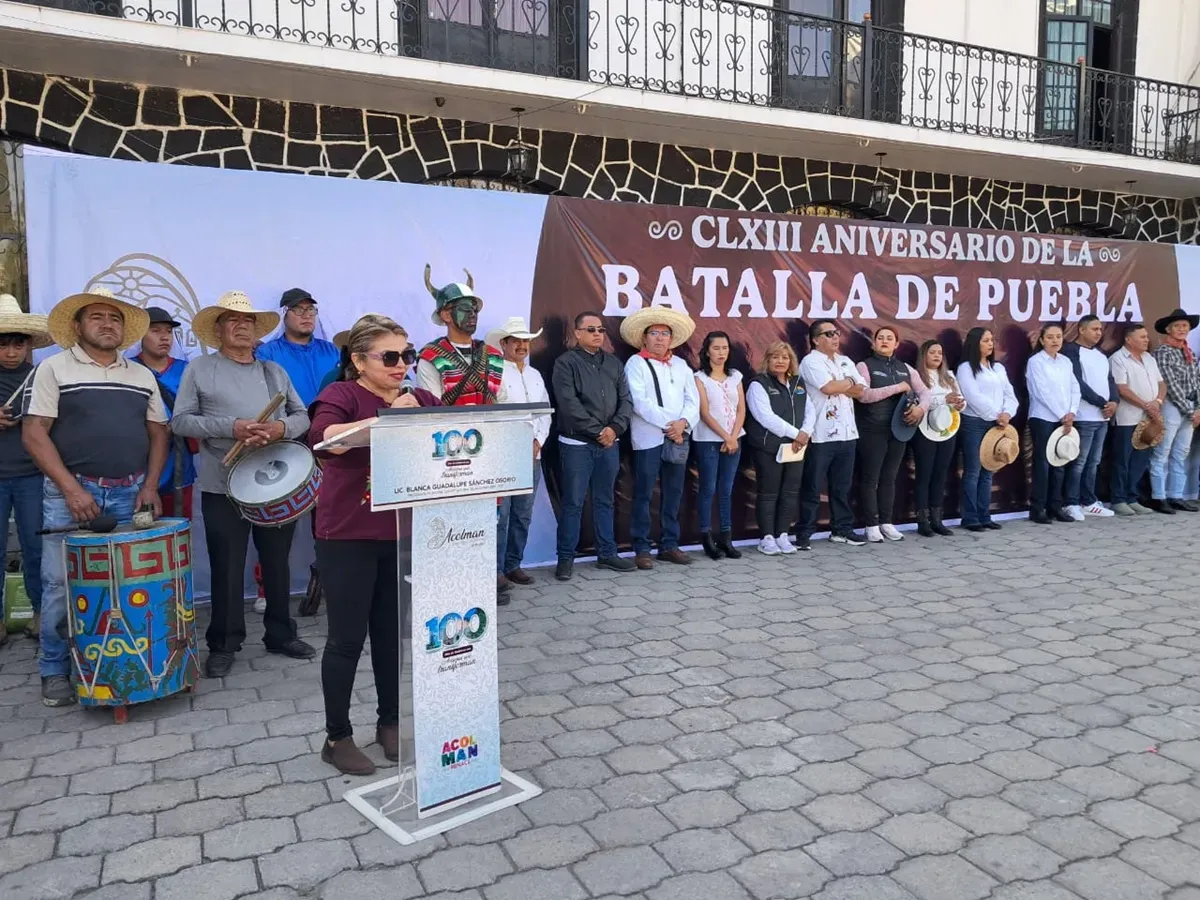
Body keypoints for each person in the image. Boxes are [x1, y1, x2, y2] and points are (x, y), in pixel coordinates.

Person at [309, 315, 441, 775]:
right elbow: (327, 440)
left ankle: (390, 722)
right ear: (359, 361)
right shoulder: (341, 395)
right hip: (348, 534)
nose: (401, 364)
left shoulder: (421, 397)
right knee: (346, 639)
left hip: (401, 532)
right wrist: (388, 419)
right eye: (390, 356)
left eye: (408, 355)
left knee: (391, 636)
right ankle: (336, 737)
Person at [23, 291, 167, 706]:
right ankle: (53, 668)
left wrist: (150, 486)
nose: (107, 324)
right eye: (97, 317)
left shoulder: (140, 375)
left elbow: (159, 432)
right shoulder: (54, 368)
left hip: (130, 491)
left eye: (115, 319)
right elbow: (33, 433)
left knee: (123, 584)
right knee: (60, 583)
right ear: (78, 326)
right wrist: (71, 489)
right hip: (69, 493)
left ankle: (119, 665)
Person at [172, 291, 315, 678]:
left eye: (248, 321)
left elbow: (302, 416)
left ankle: (281, 634)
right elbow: (181, 421)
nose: (241, 327)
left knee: (277, 563)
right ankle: (224, 642)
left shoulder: (274, 372)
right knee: (227, 565)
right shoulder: (200, 369)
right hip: (222, 484)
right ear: (218, 330)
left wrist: (280, 428)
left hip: (273, 482)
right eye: (232, 320)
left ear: (257, 331)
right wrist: (231, 428)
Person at [551, 312, 636, 582]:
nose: (597, 334)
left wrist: (614, 429)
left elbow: (626, 401)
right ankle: (565, 559)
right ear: (577, 333)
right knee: (573, 502)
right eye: (591, 330)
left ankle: (607, 554)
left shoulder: (613, 363)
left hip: (609, 442)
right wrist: (598, 431)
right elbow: (568, 404)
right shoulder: (565, 363)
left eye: (600, 330)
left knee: (605, 500)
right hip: (577, 444)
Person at [621, 307, 700, 569]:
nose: (659, 338)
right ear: (644, 338)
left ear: (671, 339)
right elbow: (639, 402)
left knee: (674, 492)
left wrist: (683, 423)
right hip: (649, 438)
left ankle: (669, 545)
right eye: (654, 333)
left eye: (664, 334)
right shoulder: (635, 363)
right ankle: (642, 547)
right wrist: (671, 425)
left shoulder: (681, 365)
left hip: (678, 437)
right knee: (644, 492)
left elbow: (693, 399)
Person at [0, 295, 50, 648]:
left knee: (36, 548)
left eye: (18, 344)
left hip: (32, 475)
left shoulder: (40, 377)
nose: (11, 352)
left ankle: (40, 613)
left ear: (29, 345)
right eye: (3, 344)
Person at [487, 317, 551, 592]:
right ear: (504, 343)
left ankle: (514, 564)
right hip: (503, 454)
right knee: (501, 515)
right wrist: (513, 442)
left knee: (523, 513)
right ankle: (496, 570)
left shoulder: (535, 375)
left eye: (525, 341)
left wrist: (538, 440)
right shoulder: (494, 373)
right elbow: (491, 414)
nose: (522, 345)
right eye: (516, 341)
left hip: (532, 454)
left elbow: (545, 411)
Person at [854, 326, 929, 543]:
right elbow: (863, 395)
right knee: (870, 478)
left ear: (896, 344)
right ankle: (871, 525)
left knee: (889, 477)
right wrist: (897, 388)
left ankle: (886, 522)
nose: (884, 341)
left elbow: (925, 392)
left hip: (899, 430)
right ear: (873, 343)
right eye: (880, 338)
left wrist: (920, 409)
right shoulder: (864, 366)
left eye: (889, 338)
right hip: (872, 430)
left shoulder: (906, 368)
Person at [797, 320, 867, 548]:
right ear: (815, 339)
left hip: (848, 434)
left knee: (842, 487)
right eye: (828, 334)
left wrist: (843, 385)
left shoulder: (845, 360)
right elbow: (827, 388)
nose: (835, 337)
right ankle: (804, 533)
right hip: (821, 435)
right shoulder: (810, 361)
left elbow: (861, 391)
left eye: (836, 332)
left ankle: (841, 530)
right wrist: (849, 381)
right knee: (813, 486)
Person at [131, 306, 198, 518]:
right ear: (141, 335)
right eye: (155, 331)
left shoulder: (188, 369)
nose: (164, 337)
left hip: (179, 460)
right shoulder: (128, 369)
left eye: (168, 331)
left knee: (179, 526)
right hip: (138, 462)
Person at [745, 341, 808, 556]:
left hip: (795, 447)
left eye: (785, 357)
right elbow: (765, 417)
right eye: (775, 357)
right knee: (769, 493)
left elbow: (810, 410)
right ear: (767, 360)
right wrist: (797, 434)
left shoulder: (798, 382)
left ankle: (782, 535)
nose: (781, 361)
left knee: (790, 492)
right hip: (769, 447)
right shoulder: (758, 384)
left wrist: (804, 433)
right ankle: (767, 538)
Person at [955, 326, 1019, 532]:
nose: (990, 344)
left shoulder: (998, 368)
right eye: (985, 340)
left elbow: (1010, 394)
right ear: (975, 343)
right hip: (974, 423)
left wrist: (1007, 413)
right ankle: (970, 517)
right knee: (973, 470)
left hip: (997, 424)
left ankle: (984, 515)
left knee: (988, 470)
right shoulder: (966, 368)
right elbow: (972, 396)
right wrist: (996, 414)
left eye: (991, 340)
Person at [416, 266, 503, 406]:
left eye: (474, 309)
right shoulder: (430, 358)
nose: (472, 314)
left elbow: (503, 403)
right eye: (464, 308)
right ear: (446, 315)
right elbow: (433, 410)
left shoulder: (494, 357)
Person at [693, 331, 746, 560]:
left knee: (726, 489)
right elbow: (704, 413)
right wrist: (725, 436)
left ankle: (726, 537)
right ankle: (706, 537)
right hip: (708, 441)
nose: (721, 353)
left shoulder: (735, 376)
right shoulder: (699, 378)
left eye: (725, 348)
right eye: (716, 348)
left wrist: (733, 437)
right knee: (708, 489)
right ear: (707, 351)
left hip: (734, 439)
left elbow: (741, 409)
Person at [1060, 315, 1118, 520]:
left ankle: (1089, 501)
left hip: (1102, 418)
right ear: (1081, 330)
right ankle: (1071, 502)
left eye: (1100, 329)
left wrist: (1114, 401)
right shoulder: (1071, 351)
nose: (1098, 333)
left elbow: (1110, 380)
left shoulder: (1101, 354)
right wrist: (1101, 402)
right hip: (1083, 415)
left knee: (1093, 462)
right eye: (1094, 329)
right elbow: (1077, 382)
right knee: (1078, 462)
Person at [1026, 322, 1081, 524]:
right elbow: (1042, 392)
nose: (1055, 340)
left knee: (1060, 462)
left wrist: (1071, 411)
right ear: (1042, 340)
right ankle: (1038, 508)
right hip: (1043, 418)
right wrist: (1061, 414)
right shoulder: (1036, 362)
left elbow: (1075, 387)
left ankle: (1055, 506)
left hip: (1065, 418)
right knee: (1043, 463)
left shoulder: (1065, 361)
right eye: (1050, 337)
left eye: (1058, 336)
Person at [1110, 323, 1165, 516]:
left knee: (1140, 461)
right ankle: (1118, 500)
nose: (1146, 340)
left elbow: (1161, 383)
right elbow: (1122, 389)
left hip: (1148, 419)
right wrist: (1146, 405)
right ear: (1128, 339)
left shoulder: (1149, 358)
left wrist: (1157, 402)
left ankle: (1132, 498)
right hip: (1127, 418)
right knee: (1122, 461)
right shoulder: (1117, 359)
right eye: (1142, 337)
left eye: (1146, 336)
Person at [912, 339, 965, 537]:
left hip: (946, 428)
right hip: (924, 429)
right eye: (932, 352)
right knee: (924, 475)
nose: (937, 356)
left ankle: (937, 519)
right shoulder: (917, 376)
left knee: (940, 474)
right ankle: (922, 520)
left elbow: (961, 400)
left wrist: (960, 404)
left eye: (940, 353)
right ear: (923, 355)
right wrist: (944, 399)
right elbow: (917, 400)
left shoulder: (949, 376)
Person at [1150, 308, 1200, 513]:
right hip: (1172, 406)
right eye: (1177, 326)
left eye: (1185, 326)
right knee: (1162, 452)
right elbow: (1170, 385)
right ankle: (1158, 496)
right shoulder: (1163, 352)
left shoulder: (1190, 353)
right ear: (1168, 330)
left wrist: (1198, 407)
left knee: (1181, 453)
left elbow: (1197, 381)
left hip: (1190, 408)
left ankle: (1176, 495)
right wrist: (1192, 411)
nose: (1182, 329)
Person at [255, 288, 340, 408]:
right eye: (298, 310)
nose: (307, 316)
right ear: (283, 314)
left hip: (332, 417)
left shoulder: (331, 350)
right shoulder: (267, 354)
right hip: (290, 419)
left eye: (310, 309)